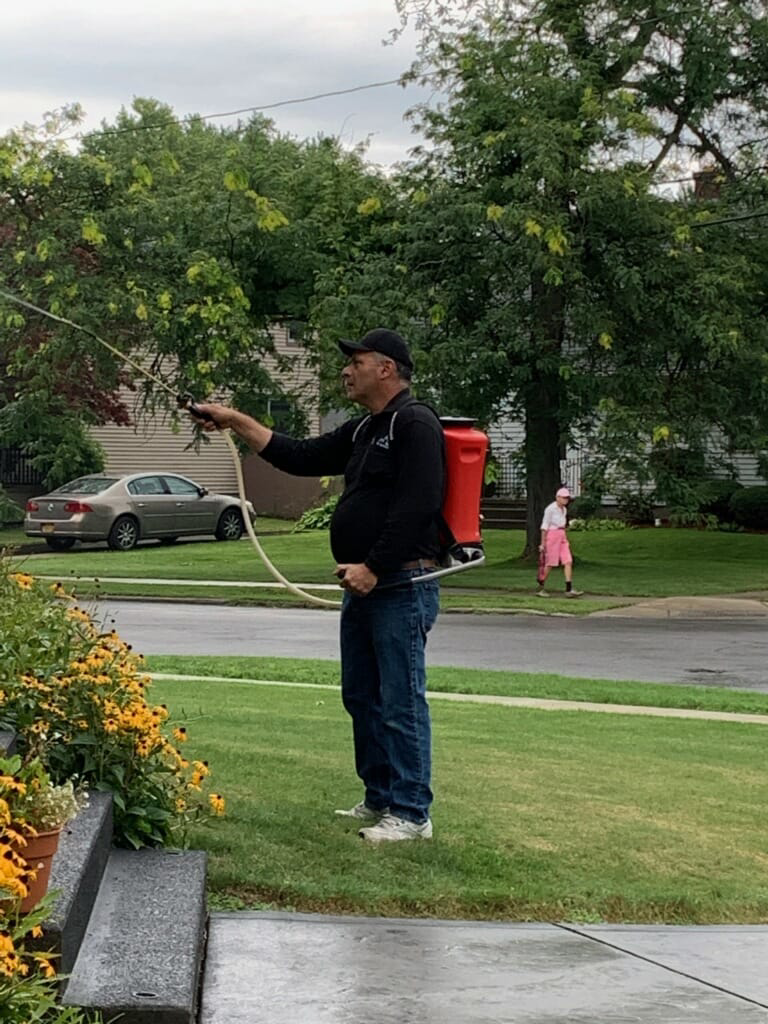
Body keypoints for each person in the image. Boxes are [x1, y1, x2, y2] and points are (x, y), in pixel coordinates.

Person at [190, 328, 445, 843]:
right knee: (363, 696)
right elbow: (298, 455)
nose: (345, 371)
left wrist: (373, 566)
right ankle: (380, 798)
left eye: (356, 361)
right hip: (366, 586)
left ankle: (413, 813)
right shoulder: (363, 430)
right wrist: (235, 420)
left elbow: (418, 503)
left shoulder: (415, 424)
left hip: (399, 582)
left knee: (400, 699)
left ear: (387, 369)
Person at [536, 486, 584, 598]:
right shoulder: (550, 509)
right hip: (552, 535)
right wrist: (542, 543)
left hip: (562, 535)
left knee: (568, 560)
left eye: (567, 498)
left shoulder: (564, 509)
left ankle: (569, 588)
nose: (566, 500)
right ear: (557, 497)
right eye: (564, 498)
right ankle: (540, 586)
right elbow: (544, 526)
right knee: (550, 563)